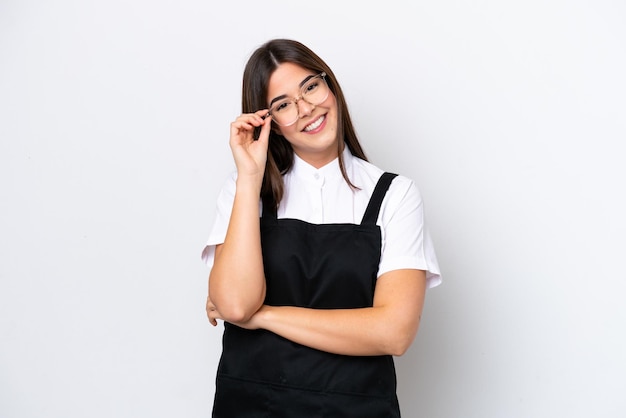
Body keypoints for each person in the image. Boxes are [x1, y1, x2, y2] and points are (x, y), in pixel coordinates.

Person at [201, 38, 441, 417]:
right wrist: (250, 178)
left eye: (310, 87)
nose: (306, 108)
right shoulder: (245, 191)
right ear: (271, 124)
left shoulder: (395, 195)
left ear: (329, 86)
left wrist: (262, 316)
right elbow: (234, 303)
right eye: (283, 105)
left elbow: (393, 332)